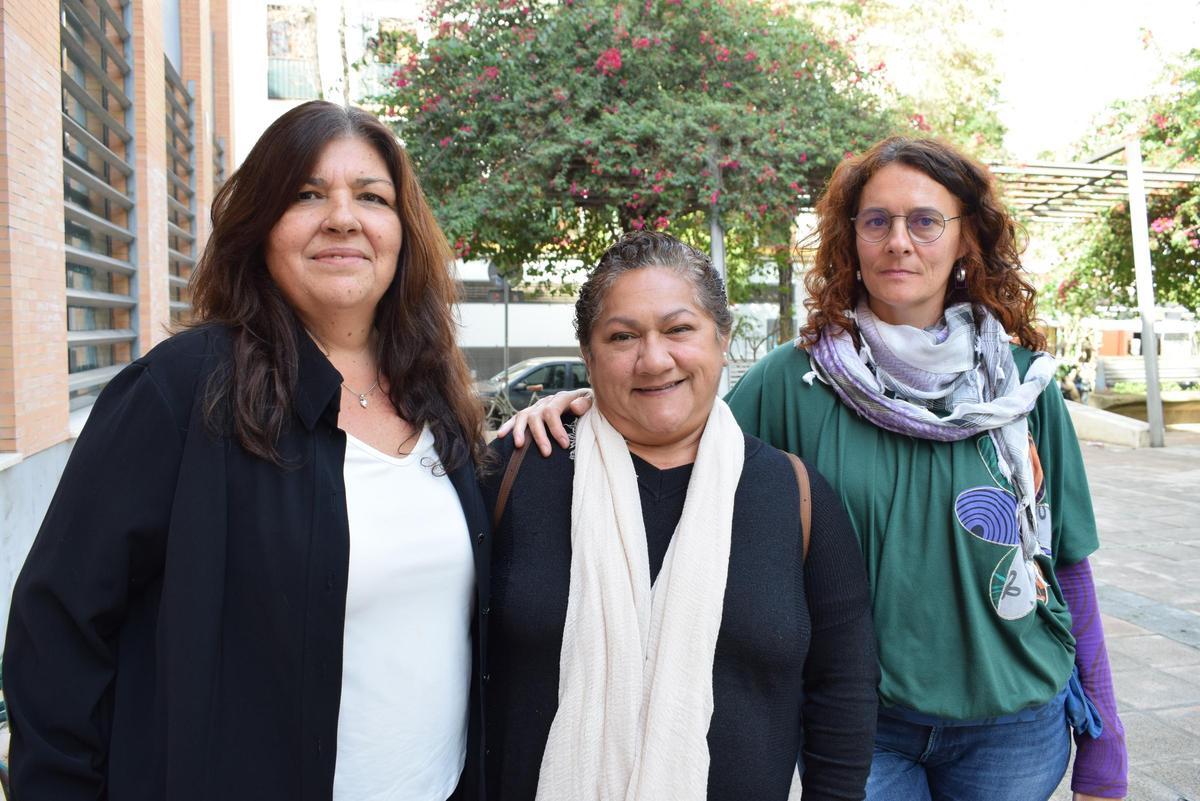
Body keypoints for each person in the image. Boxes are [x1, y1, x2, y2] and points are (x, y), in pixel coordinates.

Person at [503, 138, 1127, 800]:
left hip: (1015, 725)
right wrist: (594, 402)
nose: (899, 242)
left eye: (924, 220)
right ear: (851, 237)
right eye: (876, 220)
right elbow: (679, 438)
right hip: (867, 730)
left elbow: (1069, 569)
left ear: (966, 237)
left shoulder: (1025, 390)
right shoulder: (793, 381)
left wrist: (1107, 743)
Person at [4, 101, 489, 801]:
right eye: (307, 194)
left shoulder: (436, 396)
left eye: (372, 197)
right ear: (261, 224)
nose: (344, 217)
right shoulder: (181, 392)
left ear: (402, 232)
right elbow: (57, 630)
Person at [484, 231, 879, 801]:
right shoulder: (515, 474)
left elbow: (842, 690)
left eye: (678, 329)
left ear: (722, 340)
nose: (654, 358)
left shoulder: (795, 497)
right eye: (622, 337)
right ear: (589, 357)